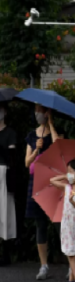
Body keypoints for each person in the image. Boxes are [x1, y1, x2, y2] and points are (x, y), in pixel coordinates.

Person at [25, 105, 63, 280]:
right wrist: (35, 150)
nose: (38, 114)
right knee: (40, 225)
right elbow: (27, 163)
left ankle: (71, 264)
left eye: (41, 111)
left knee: (59, 224)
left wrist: (51, 125)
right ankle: (43, 266)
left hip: (53, 183)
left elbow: (59, 148)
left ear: (48, 113)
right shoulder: (32, 136)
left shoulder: (56, 131)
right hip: (37, 184)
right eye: (36, 111)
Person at [0, 102, 17, 255]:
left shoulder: (10, 133)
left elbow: (12, 157)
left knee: (5, 209)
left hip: (4, 173)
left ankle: (5, 251)